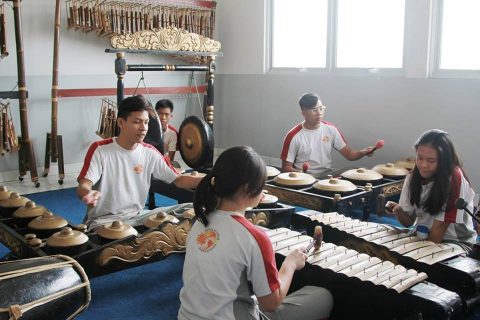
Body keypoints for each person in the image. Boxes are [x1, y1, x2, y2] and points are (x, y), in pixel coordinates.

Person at [178, 146, 333, 320]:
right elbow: (271, 304)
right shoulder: (254, 237)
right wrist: (290, 264)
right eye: (261, 185)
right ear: (247, 189)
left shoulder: (199, 223)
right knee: (322, 297)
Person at [77, 95, 203, 230]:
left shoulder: (150, 152)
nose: (143, 128)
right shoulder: (100, 149)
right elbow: (84, 185)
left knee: (189, 209)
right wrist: (87, 193)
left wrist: (212, 178)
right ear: (121, 122)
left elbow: (178, 180)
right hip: (104, 221)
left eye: (146, 122)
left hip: (138, 216)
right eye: (137, 122)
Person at [386, 129, 476, 247]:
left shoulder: (454, 178)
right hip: (422, 236)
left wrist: (418, 255)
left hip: (455, 242)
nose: (423, 165)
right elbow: (409, 223)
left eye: (431, 160)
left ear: (444, 160)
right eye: (419, 158)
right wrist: (398, 211)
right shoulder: (412, 177)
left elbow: (440, 227)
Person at [281, 92, 376, 178]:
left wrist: (362, 153)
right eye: (314, 110)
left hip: (327, 174)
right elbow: (286, 168)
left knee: (359, 171)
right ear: (303, 113)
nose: (319, 113)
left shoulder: (331, 129)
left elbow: (349, 154)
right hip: (305, 176)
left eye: (321, 108)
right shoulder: (293, 135)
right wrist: (301, 174)